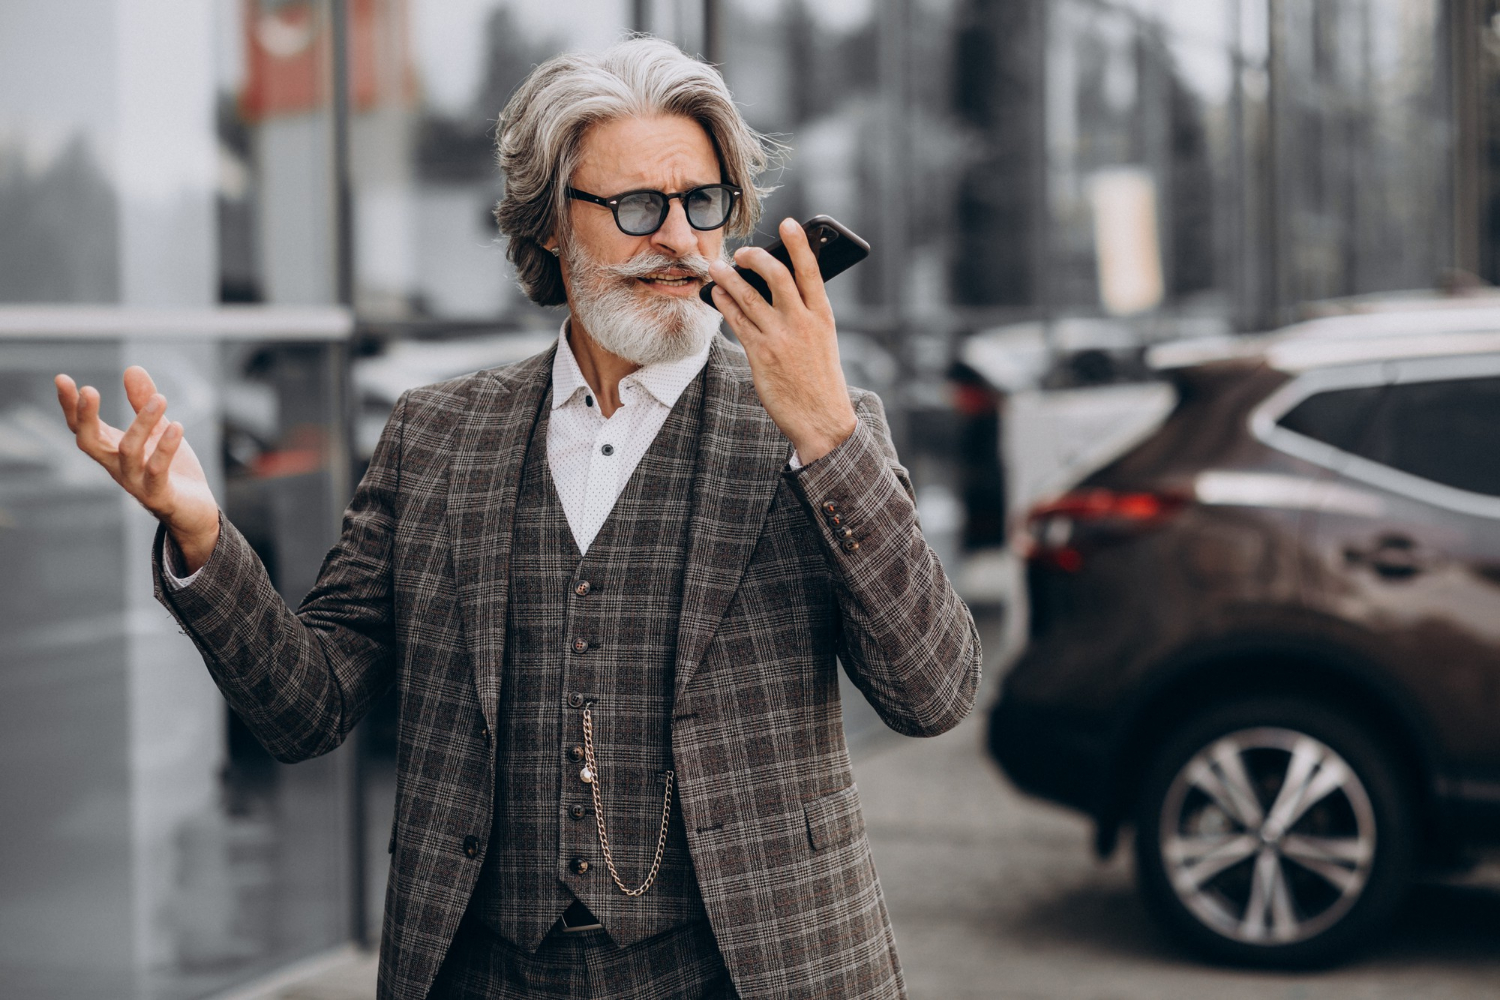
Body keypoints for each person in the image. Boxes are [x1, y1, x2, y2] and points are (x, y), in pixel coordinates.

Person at [54, 37, 980, 1000]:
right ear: (548, 227)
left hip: (748, 972)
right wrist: (204, 539)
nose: (678, 239)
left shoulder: (821, 429)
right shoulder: (438, 434)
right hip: (482, 973)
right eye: (635, 208)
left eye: (701, 203)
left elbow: (935, 692)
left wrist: (827, 437)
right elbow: (309, 707)